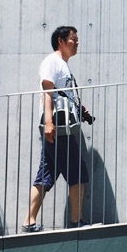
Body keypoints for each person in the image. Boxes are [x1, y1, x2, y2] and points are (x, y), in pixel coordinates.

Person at [23, 26, 94, 232]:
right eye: (73, 39)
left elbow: (62, 95)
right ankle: (76, 222)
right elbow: (47, 91)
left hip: (59, 127)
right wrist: (48, 122)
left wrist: (78, 108)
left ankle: (29, 222)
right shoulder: (52, 61)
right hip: (57, 128)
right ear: (61, 41)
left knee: (46, 174)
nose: (77, 42)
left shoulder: (63, 64)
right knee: (78, 172)